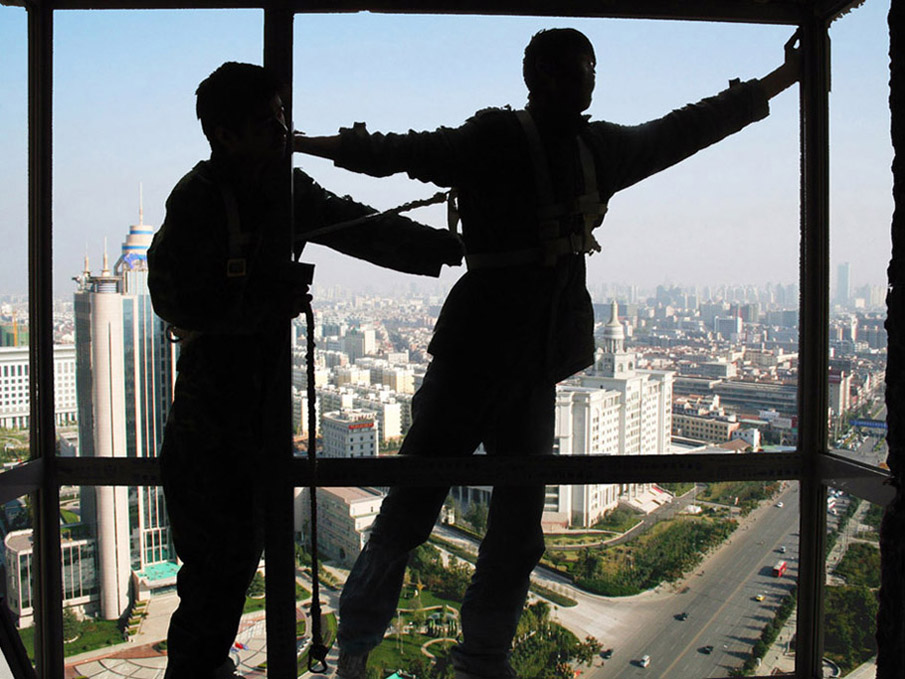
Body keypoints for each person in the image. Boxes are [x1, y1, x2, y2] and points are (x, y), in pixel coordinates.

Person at [294, 28, 800, 679]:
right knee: (445, 515)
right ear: (541, 78)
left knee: (454, 517)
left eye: (575, 71)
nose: (570, 84)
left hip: (502, 359)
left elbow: (395, 152)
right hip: (502, 359)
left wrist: (303, 142)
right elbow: (687, 128)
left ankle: (396, 650)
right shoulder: (571, 146)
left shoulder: (557, 144)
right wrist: (781, 81)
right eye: (565, 72)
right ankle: (427, 652)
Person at [147, 61, 463, 679]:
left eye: (282, 117)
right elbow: (172, 298)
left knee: (228, 568)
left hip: (242, 412)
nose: (282, 131)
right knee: (216, 574)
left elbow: (361, 227)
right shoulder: (199, 197)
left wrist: (447, 248)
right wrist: (260, 300)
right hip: (212, 416)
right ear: (225, 133)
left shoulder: (282, 191)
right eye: (268, 121)